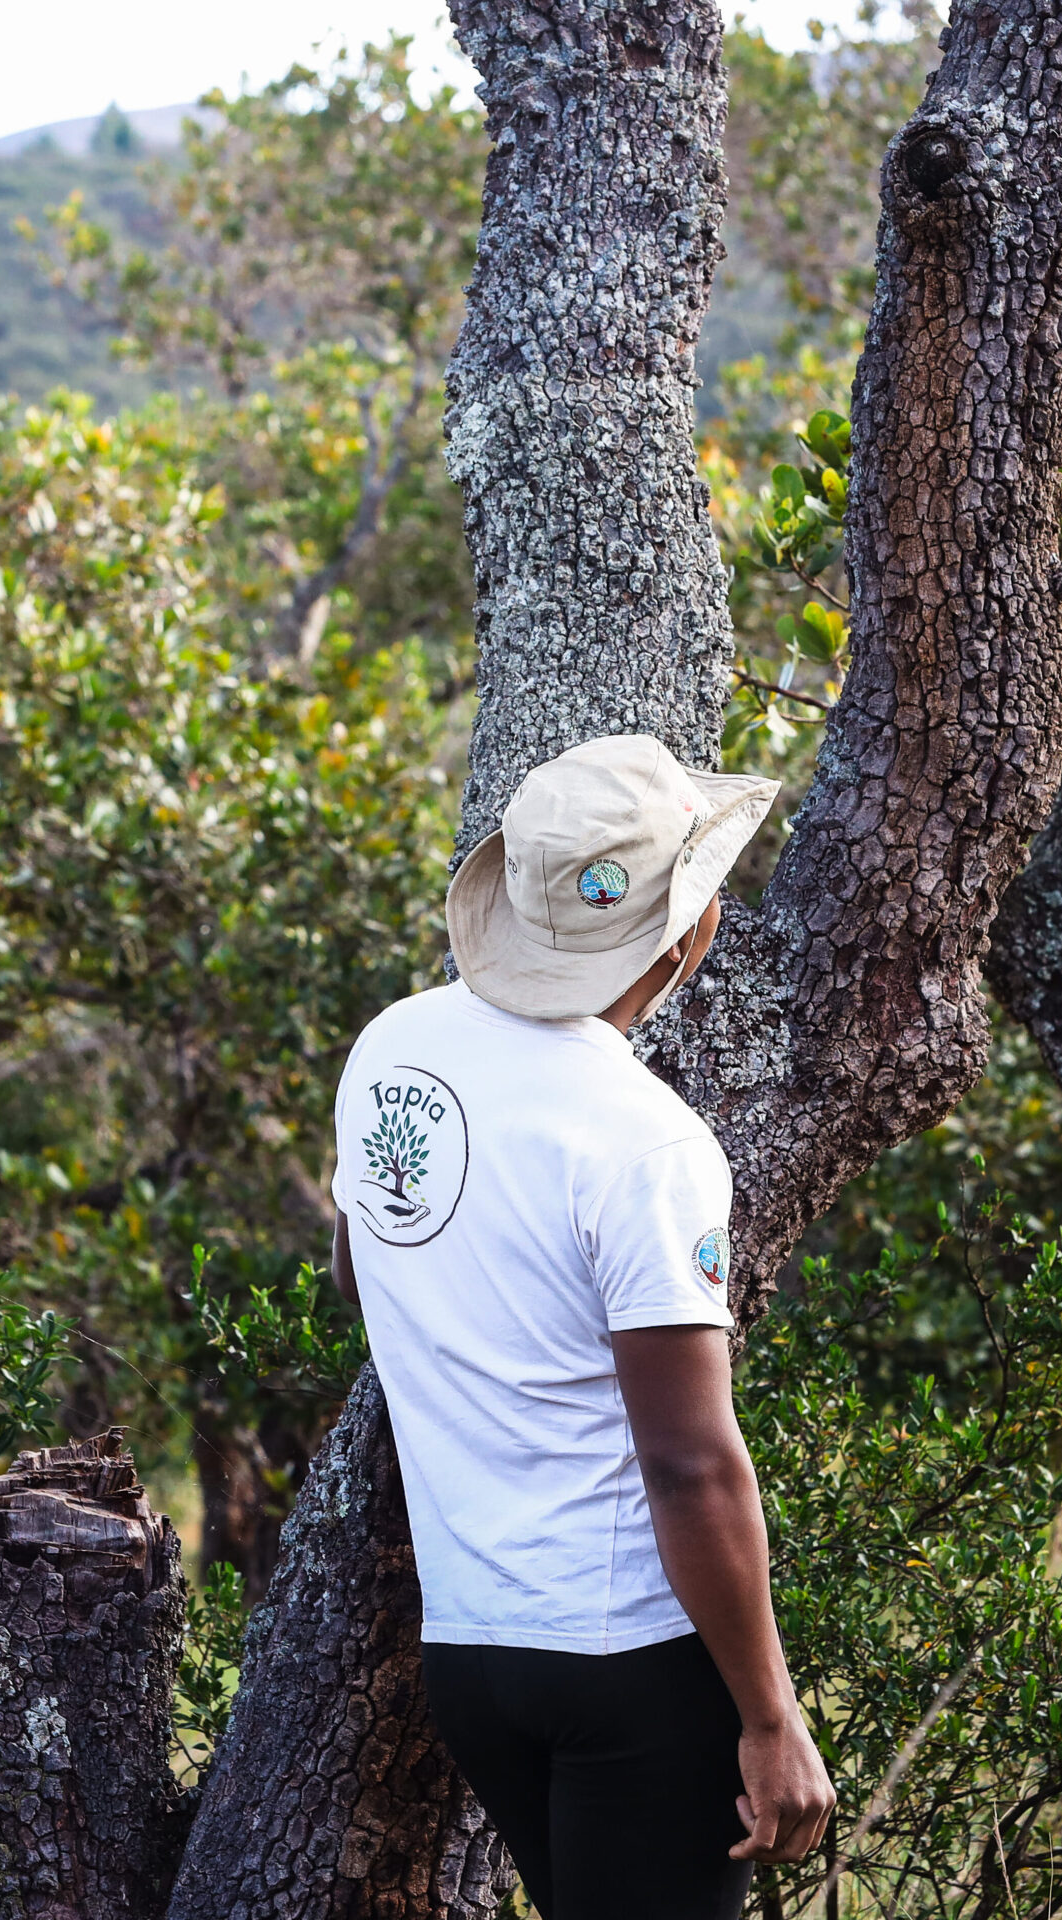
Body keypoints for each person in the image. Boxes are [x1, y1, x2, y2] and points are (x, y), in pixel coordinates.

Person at [327, 733, 836, 1918]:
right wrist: (769, 1717)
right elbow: (688, 1461)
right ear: (689, 936)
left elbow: (365, 1268)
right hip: (631, 1667)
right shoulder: (646, 1143)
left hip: (476, 1655)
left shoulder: (390, 1050)